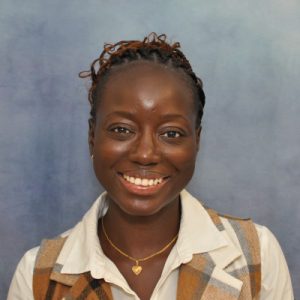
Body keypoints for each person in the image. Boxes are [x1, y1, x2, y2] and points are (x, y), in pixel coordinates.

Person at [8, 33, 293, 300]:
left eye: (171, 133)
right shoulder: (39, 277)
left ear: (197, 140)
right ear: (92, 136)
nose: (145, 154)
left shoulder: (256, 256)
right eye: (122, 129)